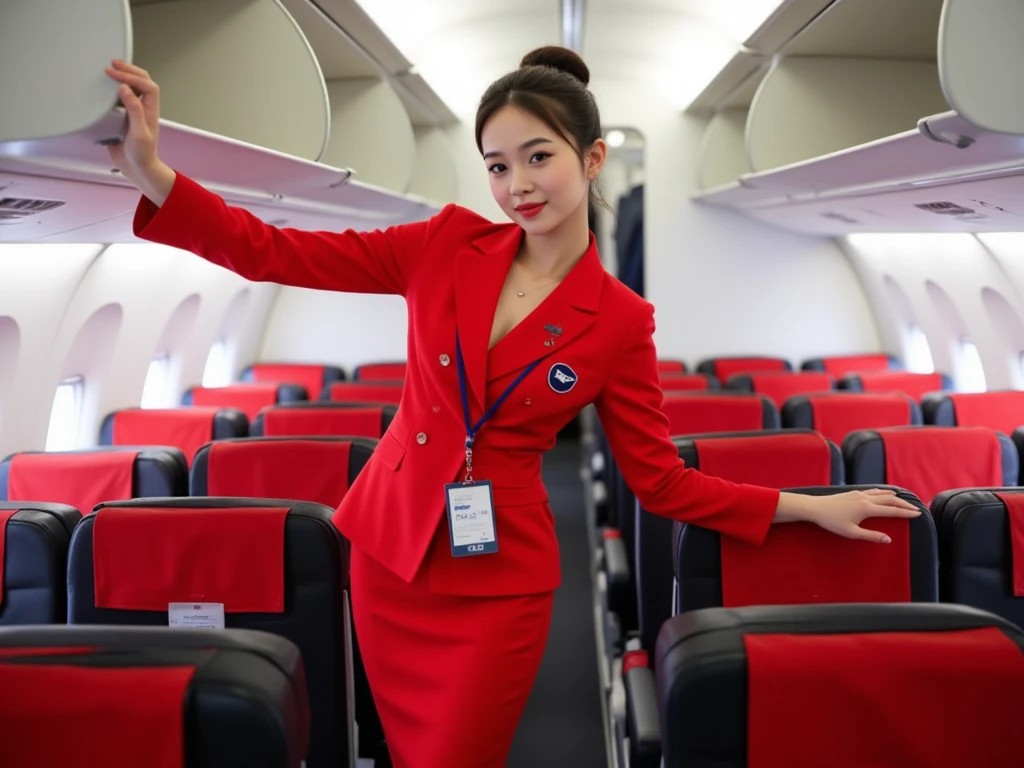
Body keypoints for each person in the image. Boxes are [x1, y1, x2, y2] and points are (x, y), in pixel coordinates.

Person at [105, 45, 921, 768]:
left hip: (498, 583)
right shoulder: (442, 244)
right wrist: (152, 171)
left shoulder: (620, 320)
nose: (517, 185)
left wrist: (809, 506)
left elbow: (662, 482)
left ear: (593, 157)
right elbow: (272, 250)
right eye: (497, 165)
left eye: (538, 157)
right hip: (390, 558)